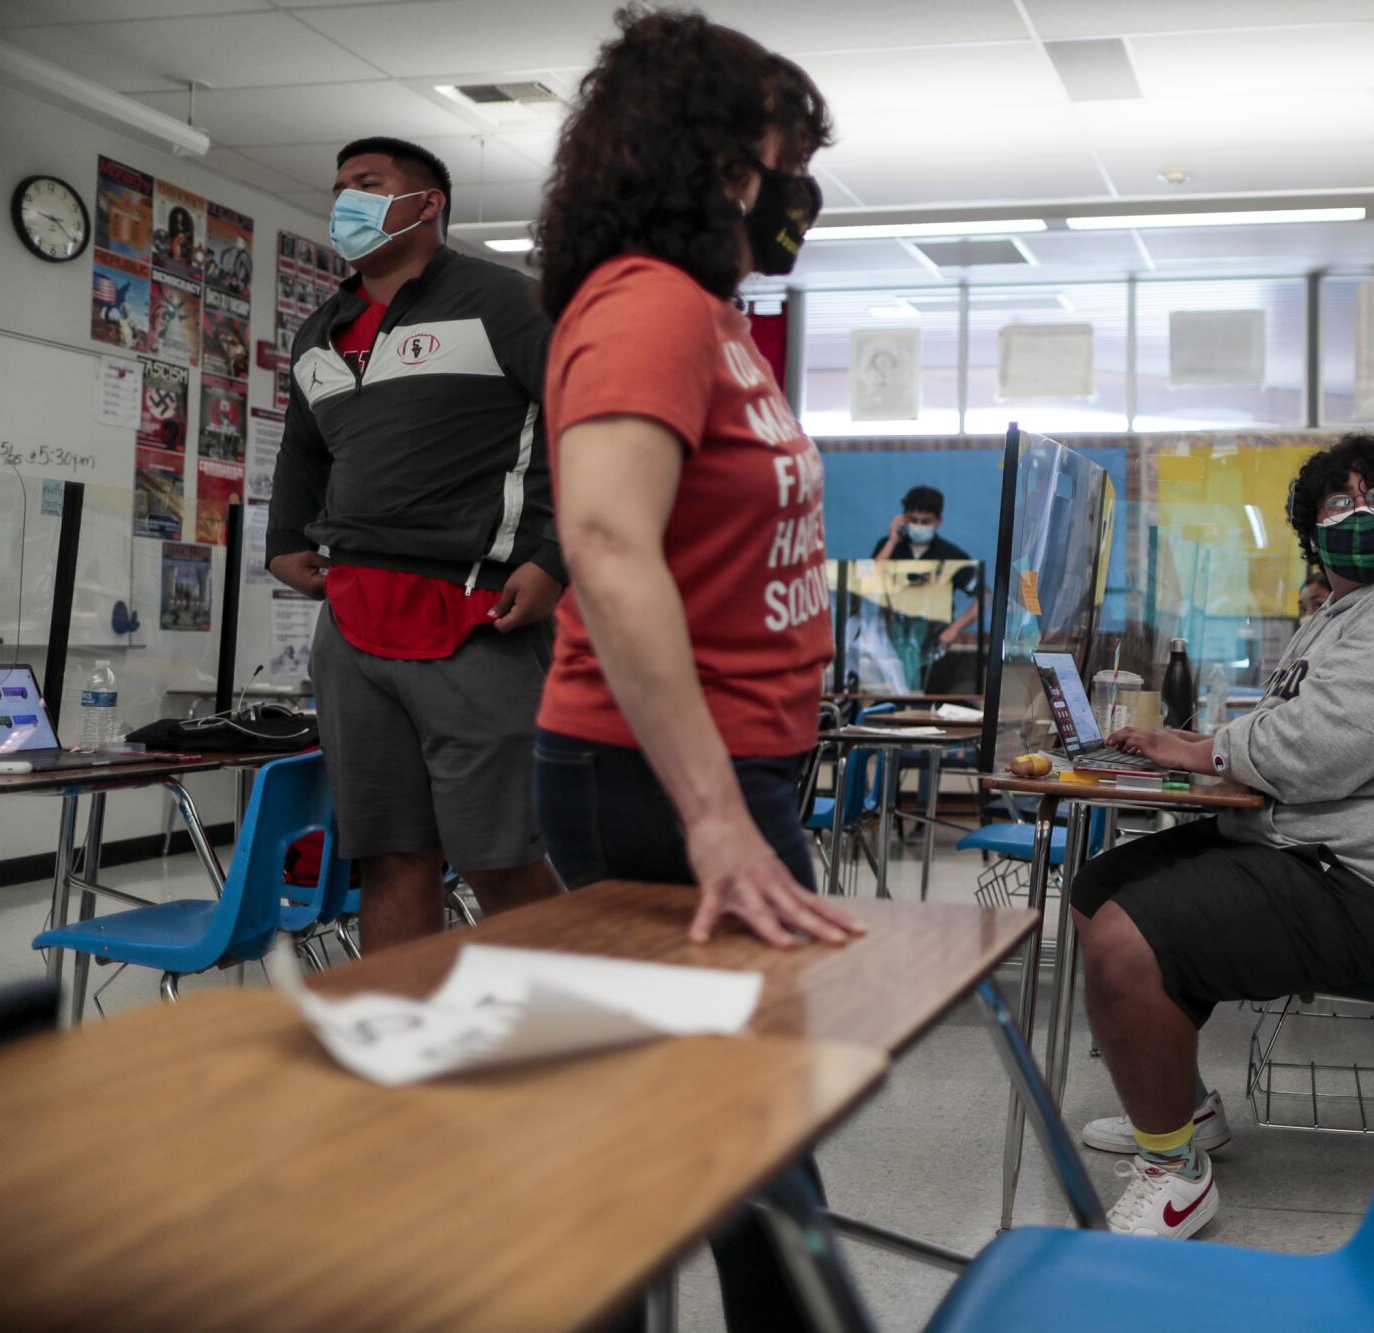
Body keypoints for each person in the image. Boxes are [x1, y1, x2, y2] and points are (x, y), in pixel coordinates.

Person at [528, 11, 863, 1330]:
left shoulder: (716, 315)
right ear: (719, 160)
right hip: (660, 777)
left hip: (731, 763)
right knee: (735, 1131)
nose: (797, 192)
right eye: (783, 162)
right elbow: (607, 545)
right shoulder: (645, 305)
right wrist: (715, 816)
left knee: (715, 1128)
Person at [1070, 433, 1374, 1239]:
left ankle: (1176, 1178)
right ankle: (1186, 1114)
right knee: (1096, 889)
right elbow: (1290, 728)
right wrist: (1210, 748)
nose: (1362, 514)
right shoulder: (1345, 612)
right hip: (1305, 846)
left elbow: (1315, 750)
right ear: (1313, 532)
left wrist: (1204, 749)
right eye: (1340, 501)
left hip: (1372, 890)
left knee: (1123, 942)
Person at [267, 135, 565, 954]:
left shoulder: (507, 302)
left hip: (477, 611)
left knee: (500, 857)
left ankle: (577, 1050)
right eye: (337, 188)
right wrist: (285, 538)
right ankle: (405, 1058)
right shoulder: (319, 333)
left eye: (367, 184)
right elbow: (303, 449)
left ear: (427, 204)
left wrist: (553, 561)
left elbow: (596, 428)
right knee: (390, 855)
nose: (344, 203)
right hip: (352, 624)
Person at [871, 483, 983, 651]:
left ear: (938, 521)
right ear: (903, 519)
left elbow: (984, 597)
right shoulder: (888, 548)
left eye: (925, 522)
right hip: (889, 643)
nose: (918, 526)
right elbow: (868, 581)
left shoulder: (951, 556)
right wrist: (892, 540)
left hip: (934, 645)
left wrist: (954, 629)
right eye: (913, 521)